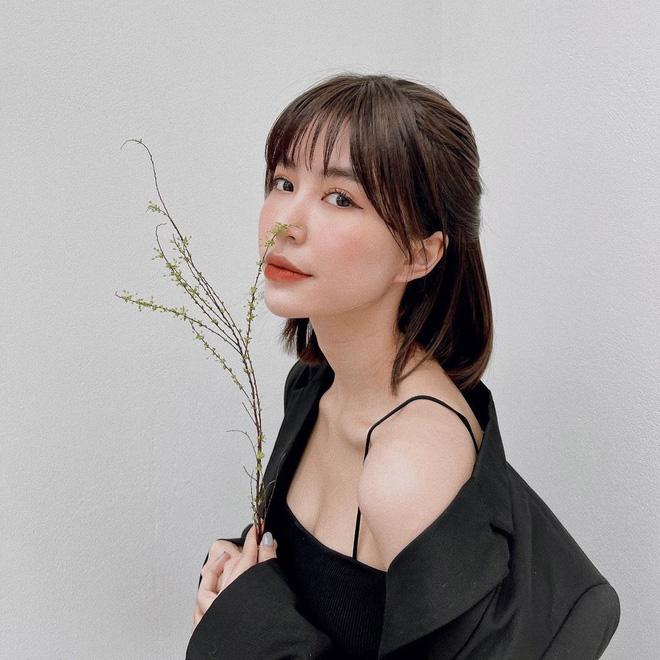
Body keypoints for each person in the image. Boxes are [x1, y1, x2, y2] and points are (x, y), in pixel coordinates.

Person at [187, 73, 620, 659]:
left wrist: (245, 627)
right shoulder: (314, 387)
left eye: (340, 198)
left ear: (419, 253)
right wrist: (242, 577)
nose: (286, 222)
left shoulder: (408, 469)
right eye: (284, 182)